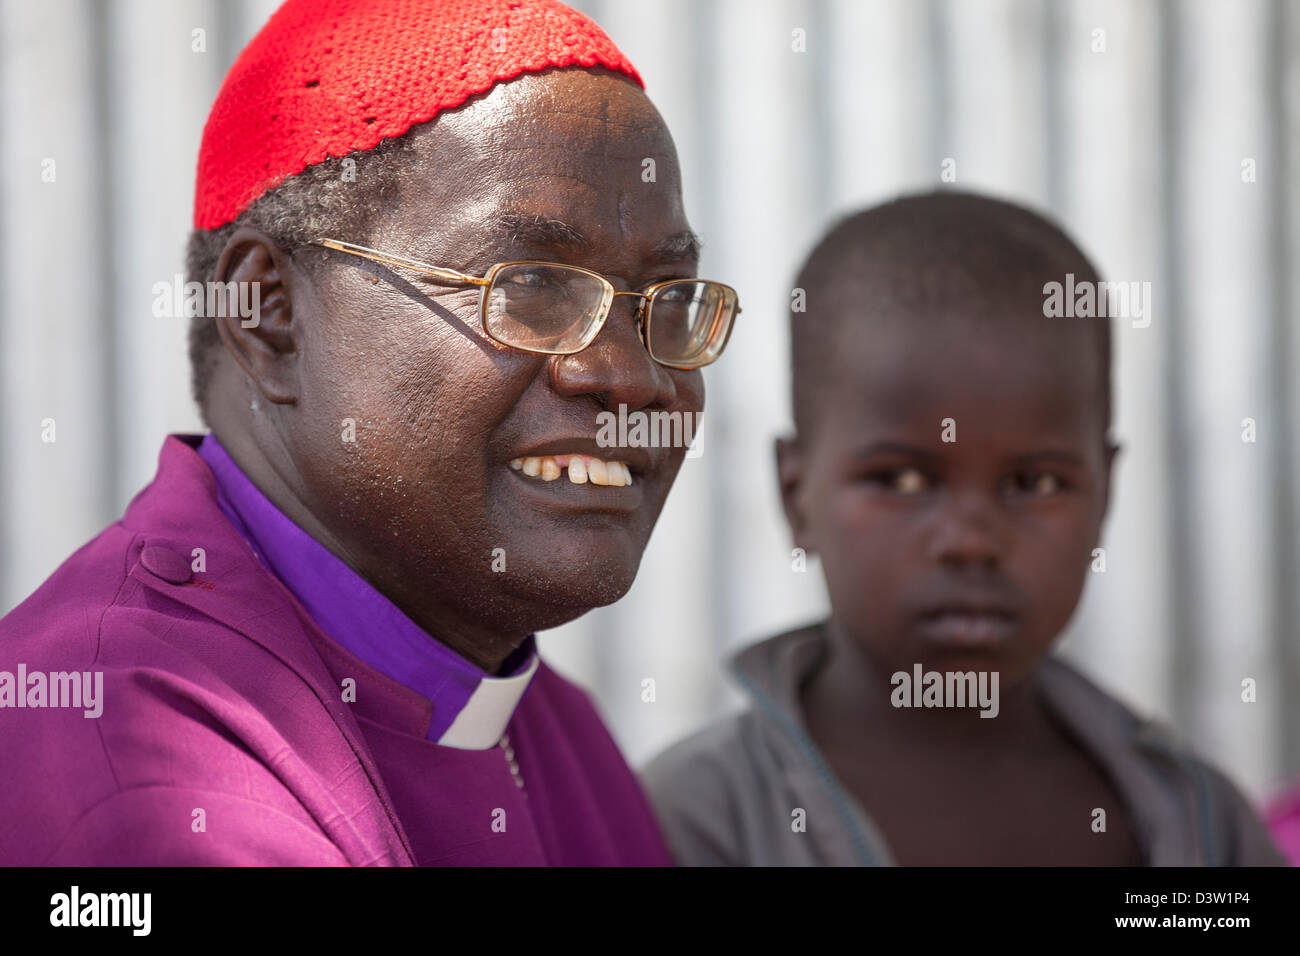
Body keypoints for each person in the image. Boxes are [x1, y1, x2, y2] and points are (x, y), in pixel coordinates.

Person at [0, 0, 739, 865]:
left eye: (668, 301)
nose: (631, 377)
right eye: (532, 286)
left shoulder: (546, 722)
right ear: (271, 316)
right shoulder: (129, 747)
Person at [642, 191, 1282, 866]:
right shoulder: (698, 822)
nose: (971, 542)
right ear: (797, 497)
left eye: (1034, 484)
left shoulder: (1198, 822)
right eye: (902, 481)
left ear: (1106, 495)